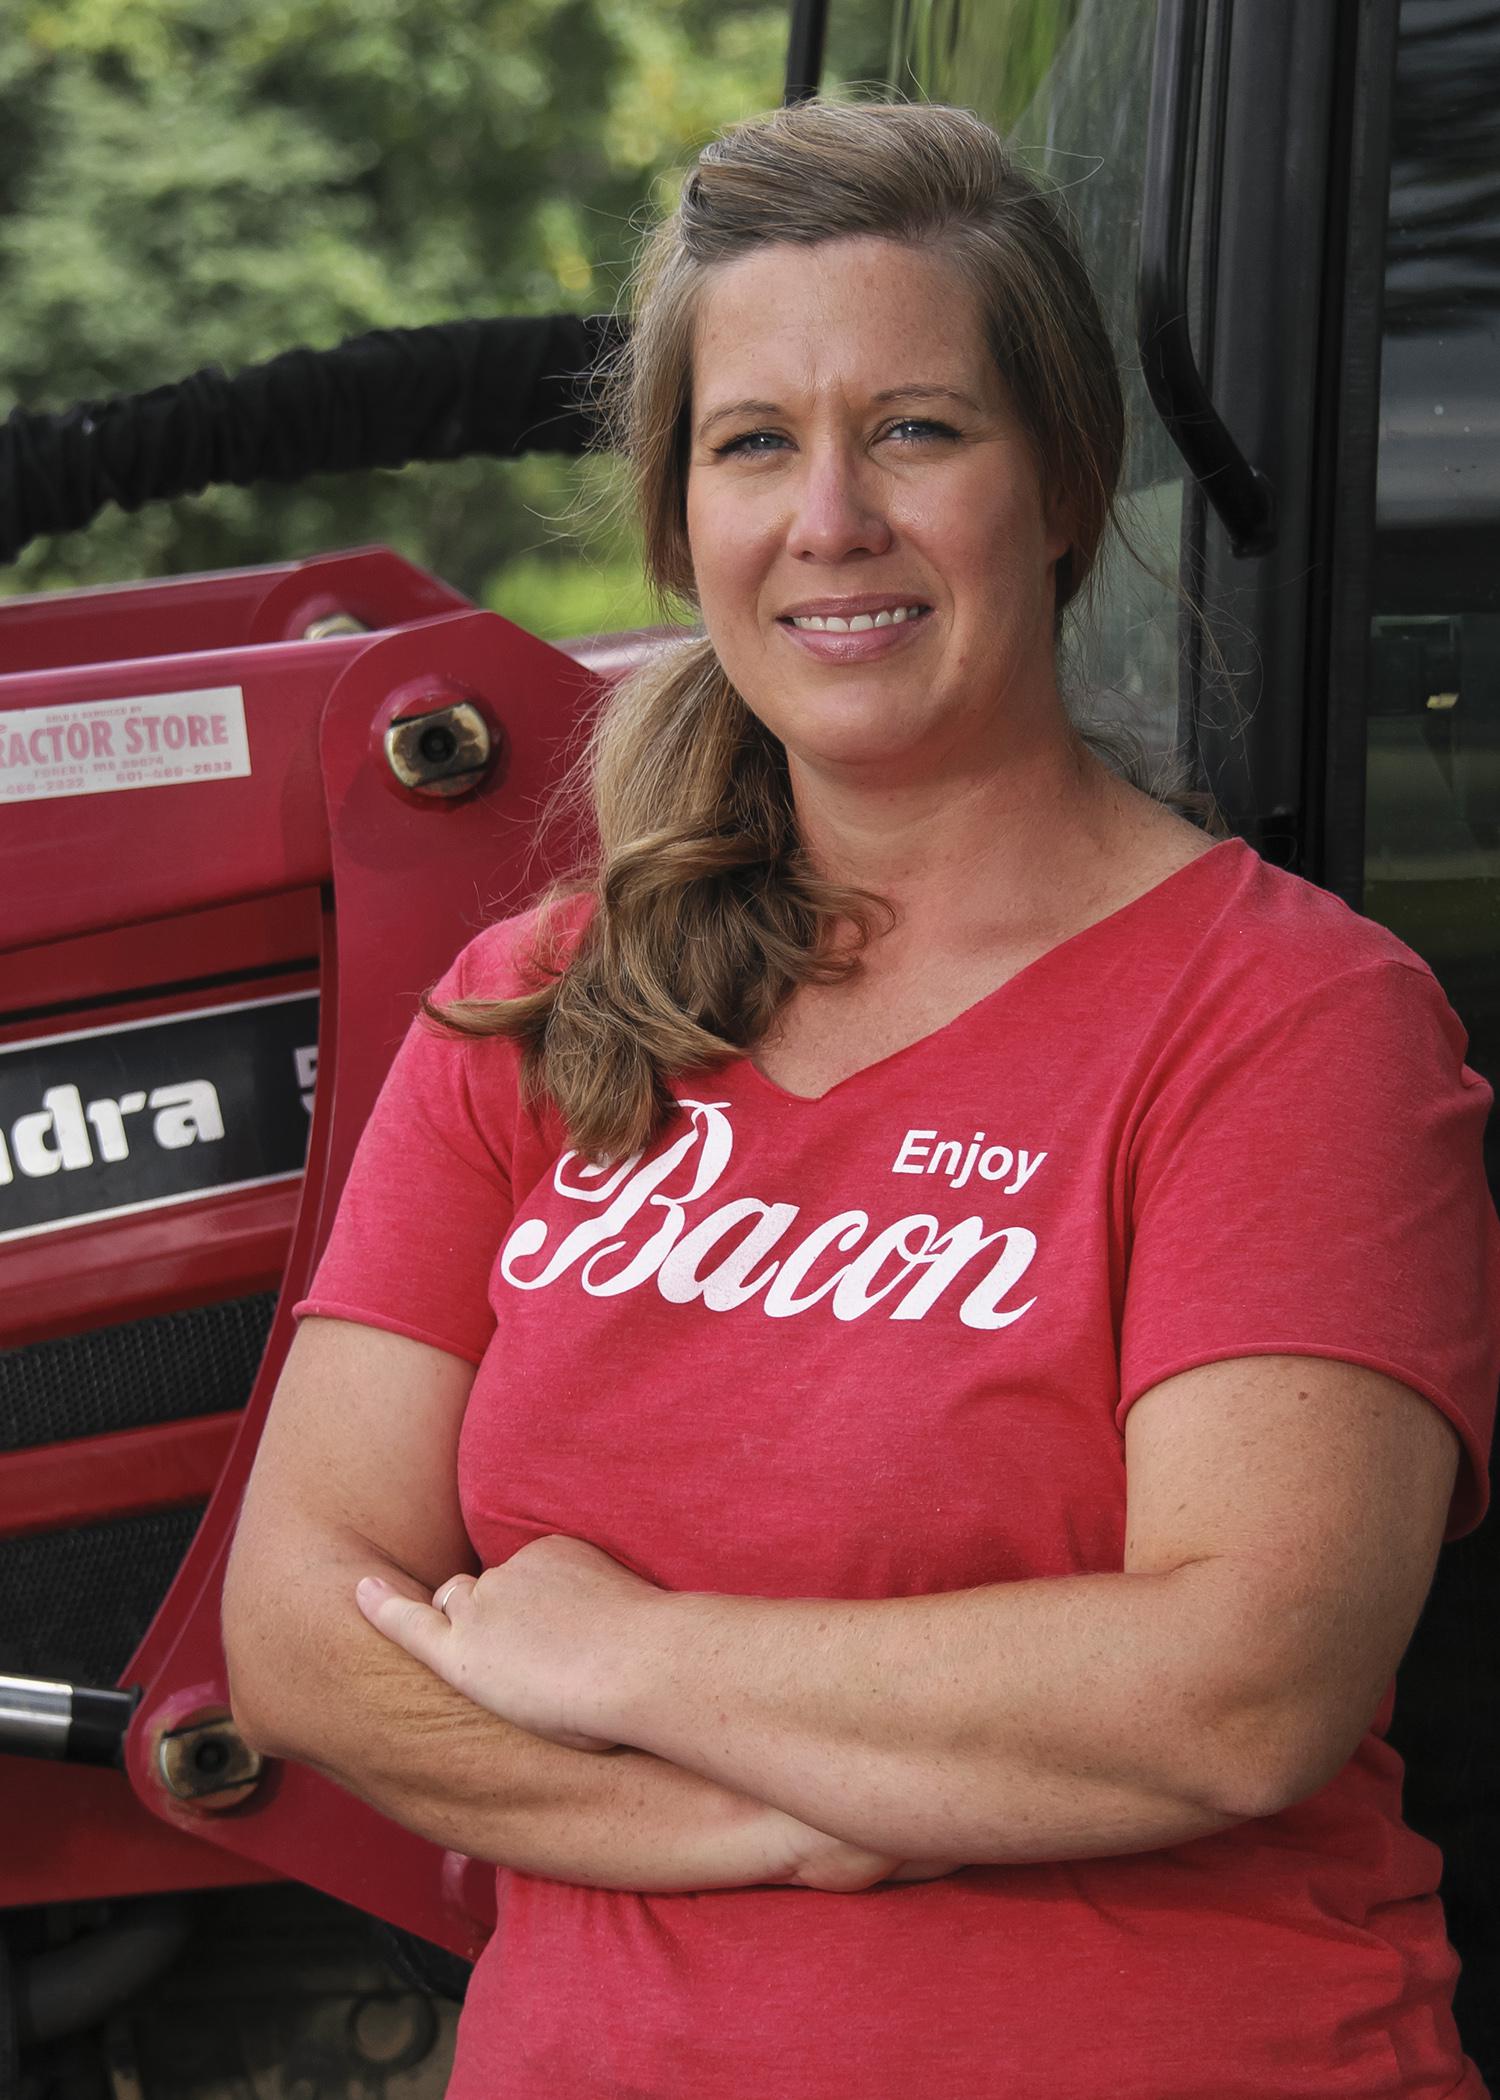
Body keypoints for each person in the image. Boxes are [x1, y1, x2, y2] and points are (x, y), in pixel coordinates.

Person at [221, 99, 1500, 2100]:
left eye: (916, 428)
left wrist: (630, 1658)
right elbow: (298, 1639)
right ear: (678, 520)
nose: (830, 519)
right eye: (754, 444)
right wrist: (782, 1830)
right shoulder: (541, 1012)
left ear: (1066, 483)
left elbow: (1240, 1686)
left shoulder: (1291, 1021)